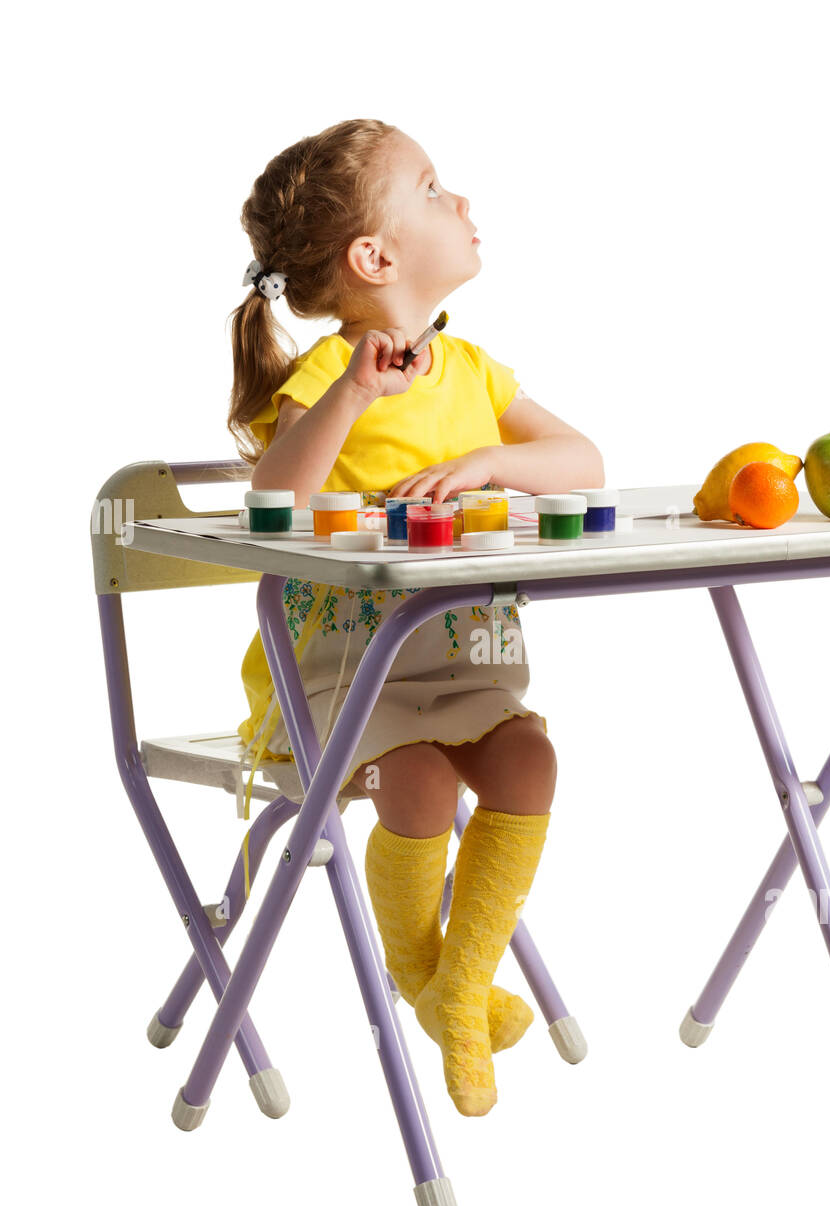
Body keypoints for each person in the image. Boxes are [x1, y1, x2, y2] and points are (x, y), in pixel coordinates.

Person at [227, 119, 603, 1116]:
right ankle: (424, 976)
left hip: (463, 658)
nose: (463, 202)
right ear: (376, 256)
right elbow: (277, 501)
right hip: (340, 681)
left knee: (529, 761)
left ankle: (454, 987)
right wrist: (349, 397)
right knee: (424, 777)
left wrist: (490, 462)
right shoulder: (330, 376)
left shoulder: (474, 371)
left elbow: (581, 464)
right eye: (434, 188)